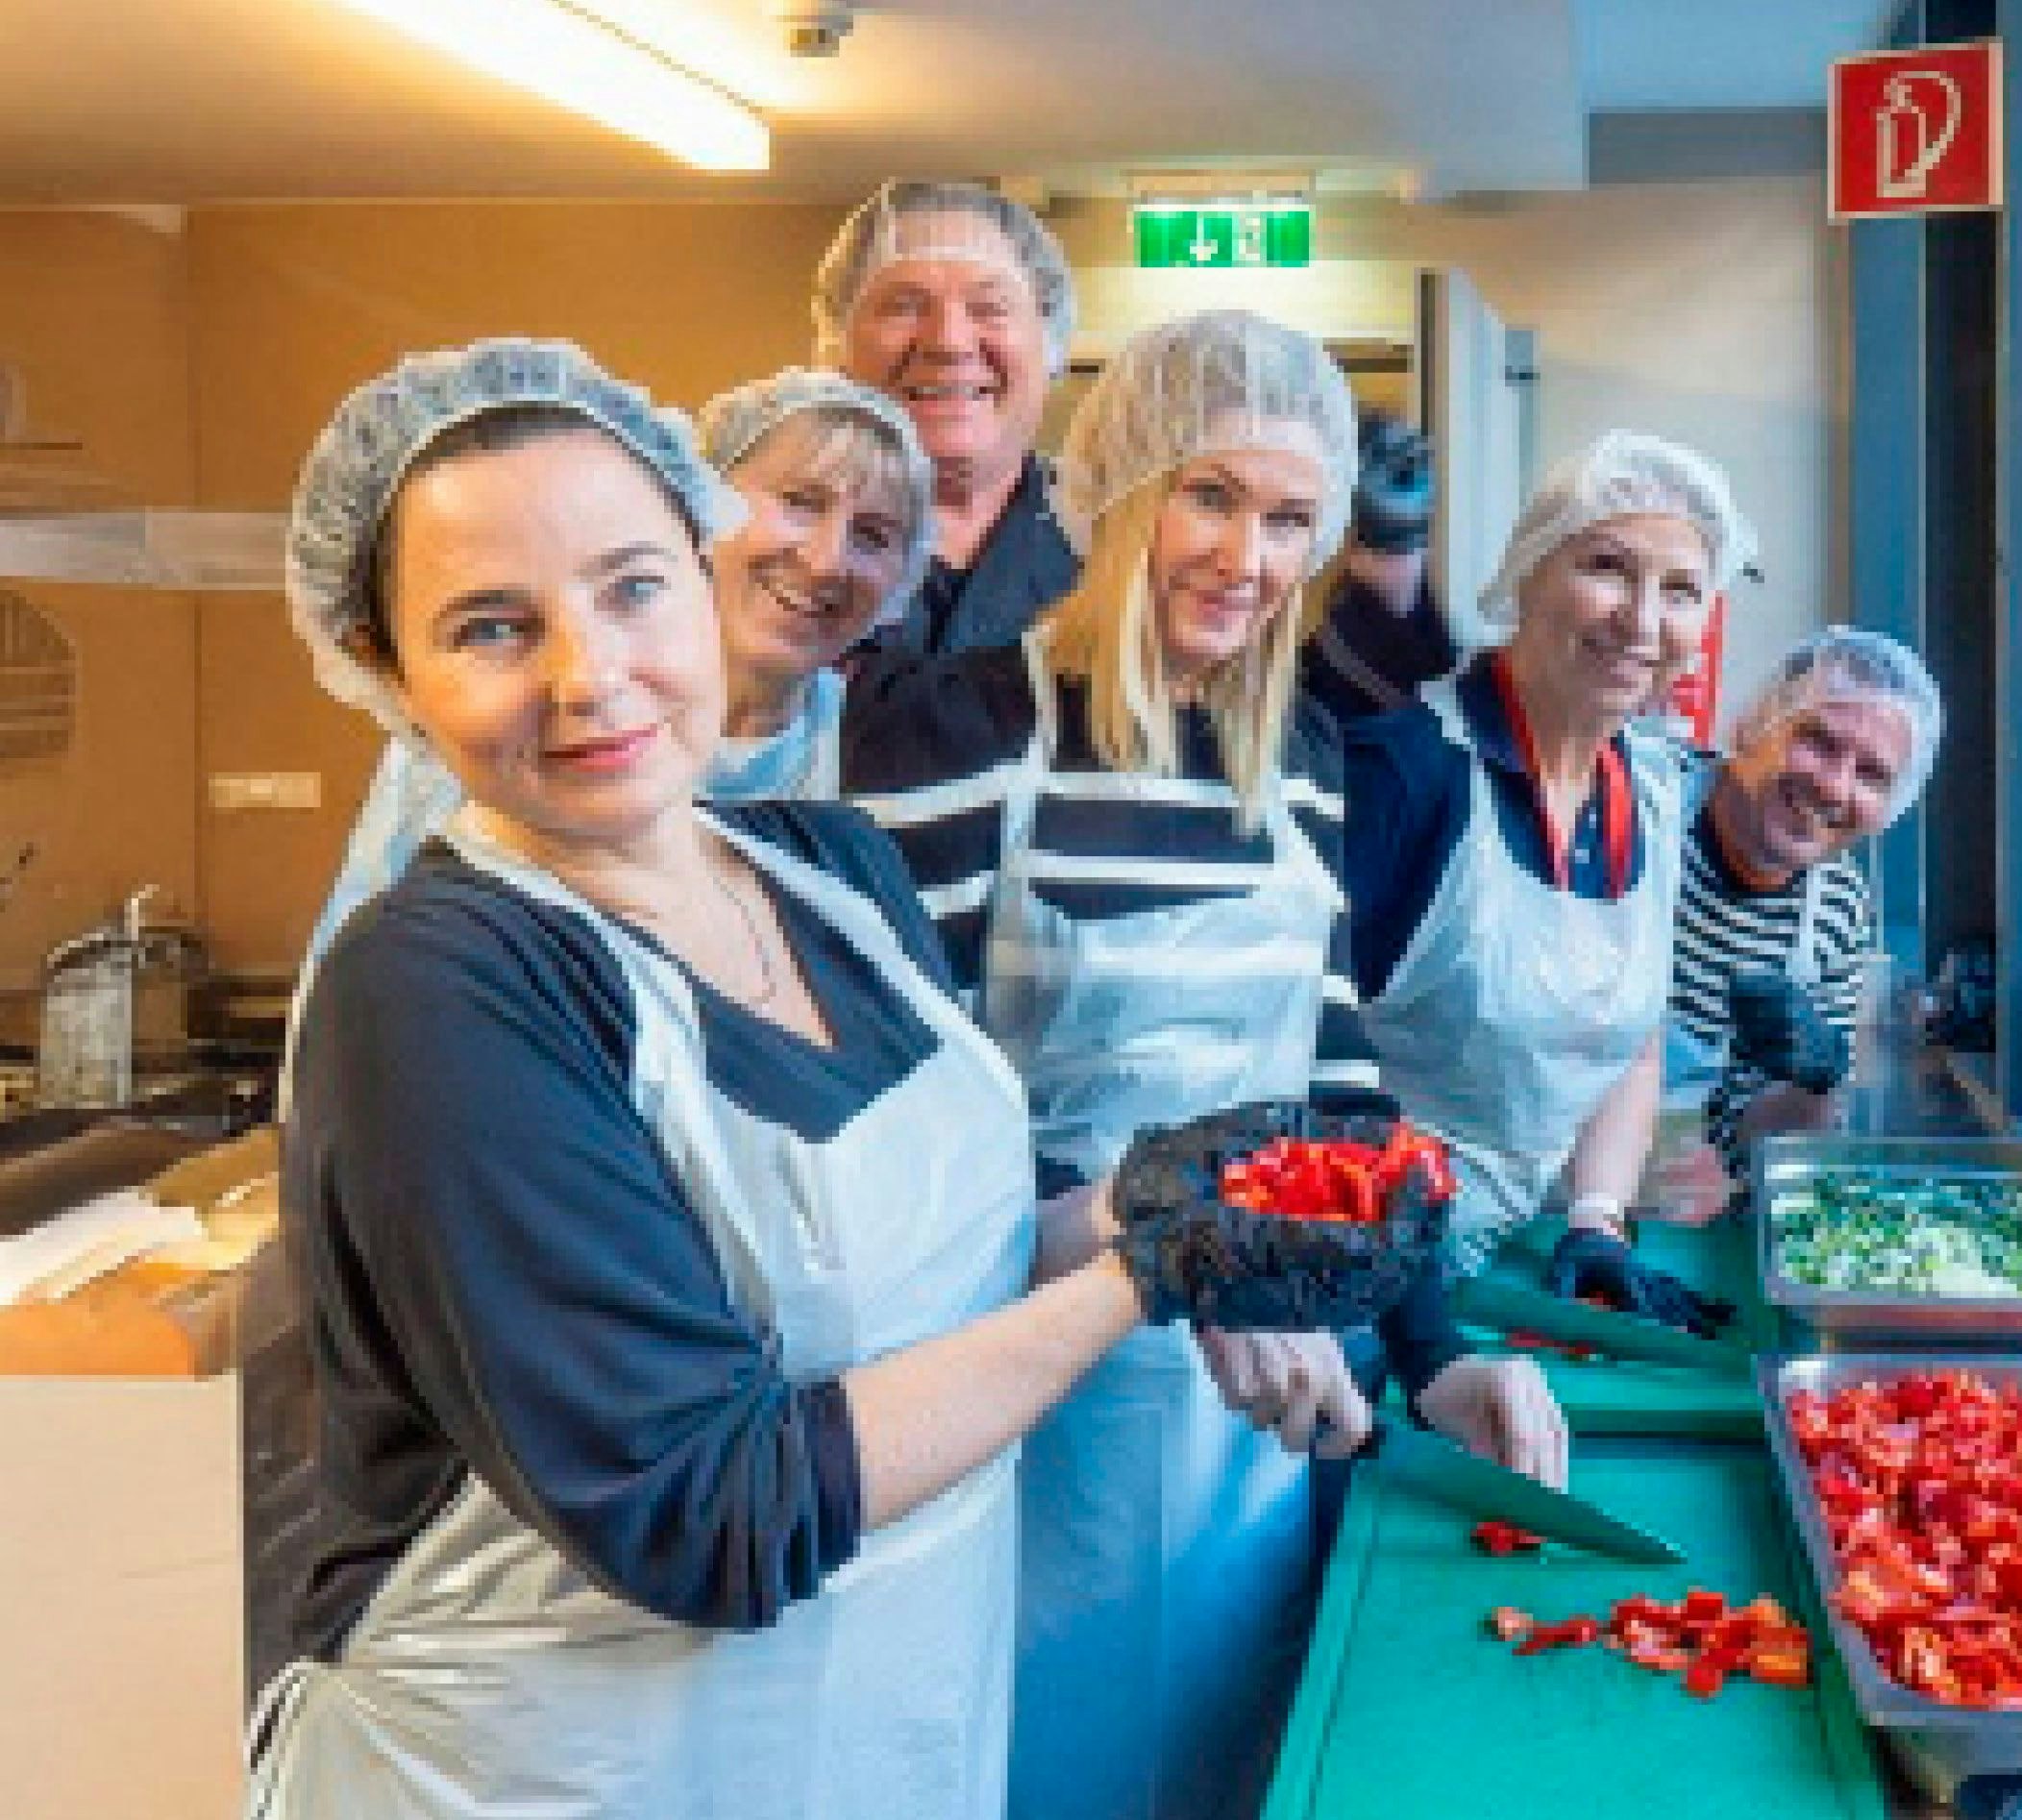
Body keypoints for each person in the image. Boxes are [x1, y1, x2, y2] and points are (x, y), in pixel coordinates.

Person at [250, 339, 1423, 1820]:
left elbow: (967, 1241)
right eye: (491, 625)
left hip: (882, 1734)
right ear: (388, 673)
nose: (588, 672)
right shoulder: (437, 986)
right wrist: (1143, 1273)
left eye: (631, 585)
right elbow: (705, 1509)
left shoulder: (832, 875)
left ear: (701, 565)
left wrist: (1151, 1196)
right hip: (557, 1767)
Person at [837, 307, 1560, 1820]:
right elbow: (911, 1132)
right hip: (1019, 1406)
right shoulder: (947, 734)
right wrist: (1179, 1255)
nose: (1249, 554)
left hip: (1254, 1421)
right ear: (1110, 494)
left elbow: (1338, 1091)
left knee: (1233, 1772)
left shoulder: (1291, 752)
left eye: (1291, 516)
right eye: (1209, 496)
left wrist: (1435, 1359)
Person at [299, 368, 935, 960]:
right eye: (800, 500)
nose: (826, 561)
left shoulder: (891, 750)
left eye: (874, 536)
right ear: (697, 518)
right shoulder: (485, 739)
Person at [1344, 430, 1755, 1333]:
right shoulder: (1406, 774)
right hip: (1351, 1274)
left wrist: (1598, 1218)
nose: (1642, 622)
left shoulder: (1646, 788)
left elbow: (1629, 1039)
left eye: (1680, 591)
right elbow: (1299, 1065)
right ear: (1529, 575)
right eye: (1607, 569)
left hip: (1507, 1265)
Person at [1664, 627, 1944, 1184]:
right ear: (1754, 725)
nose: (1835, 788)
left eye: (1872, 775)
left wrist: (1815, 1078)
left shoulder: (1838, 907)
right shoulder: (1642, 804)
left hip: (1683, 1207)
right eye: (1818, 741)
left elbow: (1770, 1149)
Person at [813, 180, 1082, 662]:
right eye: (904, 306)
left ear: (1050, 346)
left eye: (989, 309)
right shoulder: (766, 543)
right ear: (840, 344)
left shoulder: (1116, 545)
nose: (950, 341)